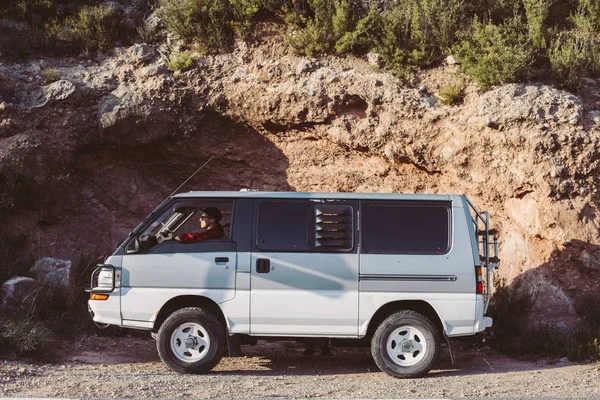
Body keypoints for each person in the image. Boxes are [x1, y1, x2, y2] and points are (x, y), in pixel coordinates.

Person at [158, 207, 224, 244]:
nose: (200, 219)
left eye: (203, 217)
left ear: (212, 220)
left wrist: (172, 237)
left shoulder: (214, 233)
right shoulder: (215, 232)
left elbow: (191, 238)